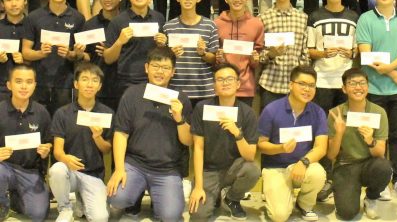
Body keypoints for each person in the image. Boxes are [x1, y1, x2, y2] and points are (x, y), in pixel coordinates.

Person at [106, 47, 192, 221]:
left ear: (173, 72)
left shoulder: (181, 99)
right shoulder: (132, 94)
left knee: (170, 216)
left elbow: (188, 141)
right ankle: (136, 197)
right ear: (146, 68)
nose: (160, 71)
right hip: (136, 164)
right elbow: (121, 134)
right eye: (155, 66)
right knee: (117, 197)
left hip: (167, 169)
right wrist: (119, 169)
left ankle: (165, 194)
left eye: (166, 68)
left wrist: (179, 119)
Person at [357, 0, 397, 202]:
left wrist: (391, 68)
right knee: (375, 137)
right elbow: (366, 54)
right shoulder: (365, 19)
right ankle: (379, 182)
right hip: (374, 90)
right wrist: (392, 73)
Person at [189, 63, 260, 221]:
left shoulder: (247, 113)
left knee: (252, 170)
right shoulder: (202, 108)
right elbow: (198, 148)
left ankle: (232, 198)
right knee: (198, 216)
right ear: (214, 85)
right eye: (220, 79)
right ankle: (214, 196)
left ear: (238, 84)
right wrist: (198, 186)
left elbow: (250, 156)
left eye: (229, 79)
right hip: (208, 171)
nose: (225, 83)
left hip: (233, 168)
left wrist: (237, 133)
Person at [258, 66, 327, 222]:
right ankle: (279, 194)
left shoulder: (318, 112)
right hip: (275, 168)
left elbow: (321, 148)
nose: (307, 89)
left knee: (317, 173)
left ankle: (304, 204)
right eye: (302, 84)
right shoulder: (271, 109)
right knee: (279, 216)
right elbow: (261, 145)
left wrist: (304, 162)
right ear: (290, 85)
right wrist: (280, 148)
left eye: (311, 85)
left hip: (302, 165)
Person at [48, 62, 113, 222]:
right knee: (57, 170)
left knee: (100, 218)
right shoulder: (62, 113)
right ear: (76, 84)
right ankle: (65, 208)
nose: (89, 84)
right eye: (85, 79)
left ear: (100, 86)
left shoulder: (107, 113)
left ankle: (81, 201)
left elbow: (107, 149)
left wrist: (97, 137)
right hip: (70, 173)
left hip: (94, 175)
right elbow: (57, 151)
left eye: (94, 80)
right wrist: (65, 159)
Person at [327, 68, 391, 220]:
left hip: (369, 164)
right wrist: (339, 133)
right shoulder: (335, 113)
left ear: (368, 87)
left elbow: (380, 153)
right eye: (352, 83)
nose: (358, 87)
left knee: (384, 167)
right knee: (347, 213)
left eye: (362, 83)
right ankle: (344, 191)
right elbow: (331, 155)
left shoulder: (379, 112)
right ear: (344, 88)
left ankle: (371, 198)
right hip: (345, 165)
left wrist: (370, 140)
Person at [22, 0, 86, 114]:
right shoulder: (33, 17)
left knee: (62, 122)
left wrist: (71, 54)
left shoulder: (78, 18)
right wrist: (40, 53)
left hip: (65, 82)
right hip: (38, 81)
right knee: (37, 121)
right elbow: (25, 52)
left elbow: (82, 55)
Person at [0, 64, 52, 221]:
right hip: (4, 167)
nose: (24, 86)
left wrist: (46, 150)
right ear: (9, 85)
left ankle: (15, 199)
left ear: (35, 85)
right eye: (18, 81)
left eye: (29, 82)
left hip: (30, 171)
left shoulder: (42, 112)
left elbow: (49, 142)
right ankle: (2, 206)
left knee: (38, 214)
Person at [103, 0, 166, 99]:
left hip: (155, 80)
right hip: (127, 82)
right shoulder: (118, 21)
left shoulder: (159, 18)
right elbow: (108, 59)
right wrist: (119, 42)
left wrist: (162, 45)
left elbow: (163, 53)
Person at [163, 0, 219, 107]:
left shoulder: (210, 25)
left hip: (204, 90)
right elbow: (164, 59)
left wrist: (203, 53)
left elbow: (214, 59)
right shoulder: (168, 27)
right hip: (176, 90)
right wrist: (171, 55)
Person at [258, 0, 309, 109]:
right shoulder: (263, 18)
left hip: (296, 85)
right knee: (269, 122)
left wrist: (303, 79)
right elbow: (258, 54)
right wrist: (271, 54)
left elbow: (304, 53)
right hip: (270, 83)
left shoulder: (302, 17)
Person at [214, 0, 264, 106]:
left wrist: (254, 59)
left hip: (246, 87)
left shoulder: (256, 24)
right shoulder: (217, 24)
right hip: (223, 86)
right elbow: (213, 56)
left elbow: (256, 60)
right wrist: (218, 58)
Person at [83, 0, 123, 112]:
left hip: (124, 84)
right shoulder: (90, 25)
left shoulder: (127, 22)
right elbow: (87, 56)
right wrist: (79, 53)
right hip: (99, 86)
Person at [0, 0, 26, 102]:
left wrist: (25, 59)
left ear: (25, 1)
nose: (13, 4)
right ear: (2, 3)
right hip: (2, 85)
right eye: (8, 0)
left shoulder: (33, 26)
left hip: (27, 86)